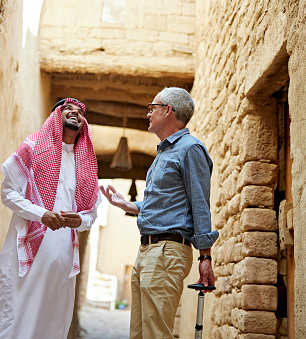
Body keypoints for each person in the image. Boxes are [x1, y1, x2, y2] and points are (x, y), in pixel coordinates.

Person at [99, 87, 219, 339]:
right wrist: (127, 205)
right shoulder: (164, 151)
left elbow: (200, 204)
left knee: (155, 335)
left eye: (152, 107)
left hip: (167, 252)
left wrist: (204, 256)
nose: (148, 113)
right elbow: (162, 204)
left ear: (168, 110)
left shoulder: (190, 149)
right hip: (147, 252)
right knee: (139, 334)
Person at [0, 98, 101, 339]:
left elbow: (91, 215)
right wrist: (42, 214)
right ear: (55, 117)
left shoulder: (87, 165)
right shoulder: (33, 147)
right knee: (13, 318)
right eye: (68, 109)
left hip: (62, 262)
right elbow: (8, 194)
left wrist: (79, 221)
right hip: (25, 255)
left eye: (80, 112)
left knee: (50, 324)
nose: (75, 113)